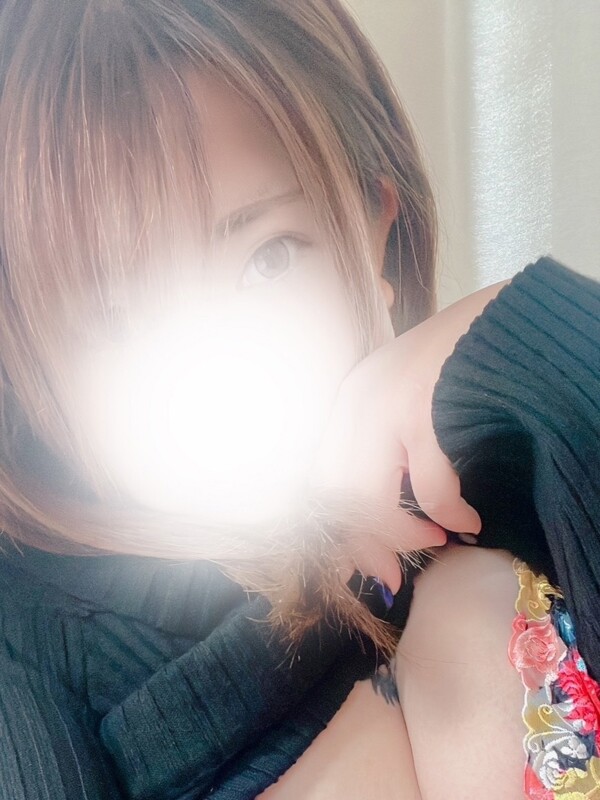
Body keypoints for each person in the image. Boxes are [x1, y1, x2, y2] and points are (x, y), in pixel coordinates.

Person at [0, 2, 597, 800]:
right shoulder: (31, 648)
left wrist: (541, 337)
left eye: (269, 257)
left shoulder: (514, 443)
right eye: (111, 319)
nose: (211, 359)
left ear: (376, 224)